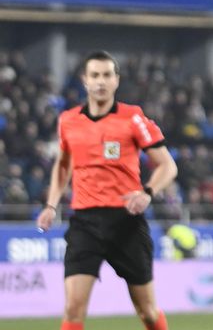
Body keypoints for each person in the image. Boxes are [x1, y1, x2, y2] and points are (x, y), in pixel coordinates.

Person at [35, 50, 178, 330]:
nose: (101, 81)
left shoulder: (132, 118)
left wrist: (147, 192)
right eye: (95, 75)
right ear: (84, 81)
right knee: (73, 309)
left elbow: (168, 166)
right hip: (85, 222)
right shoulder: (68, 120)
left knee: (148, 312)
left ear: (116, 80)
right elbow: (63, 165)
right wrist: (51, 204)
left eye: (107, 75)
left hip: (126, 221)